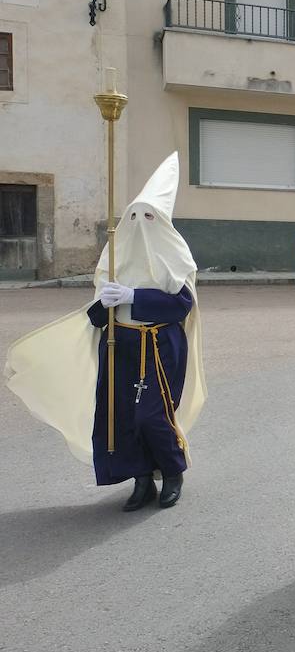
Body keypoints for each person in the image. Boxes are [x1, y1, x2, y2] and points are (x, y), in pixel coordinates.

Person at [6, 153, 207, 512]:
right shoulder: (113, 254)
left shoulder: (175, 254)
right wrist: (105, 301)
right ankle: (140, 478)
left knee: (152, 414)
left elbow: (182, 305)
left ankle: (172, 472)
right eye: (134, 215)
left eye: (149, 215)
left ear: (161, 220)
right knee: (122, 416)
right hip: (120, 345)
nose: (141, 223)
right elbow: (99, 315)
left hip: (159, 345)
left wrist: (134, 295)